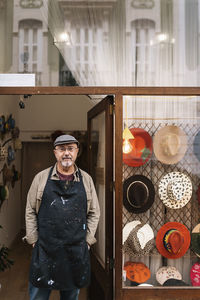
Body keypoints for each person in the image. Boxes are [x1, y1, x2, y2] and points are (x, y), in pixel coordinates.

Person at [24, 134, 100, 300]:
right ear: (55, 153)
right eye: (62, 149)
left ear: (77, 152)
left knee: (70, 296)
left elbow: (94, 212)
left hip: (75, 251)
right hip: (45, 250)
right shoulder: (41, 178)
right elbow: (30, 210)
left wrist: (87, 241)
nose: (66, 153)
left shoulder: (86, 180)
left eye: (70, 148)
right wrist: (33, 239)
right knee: (38, 296)